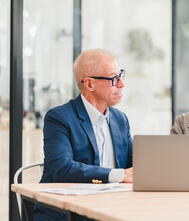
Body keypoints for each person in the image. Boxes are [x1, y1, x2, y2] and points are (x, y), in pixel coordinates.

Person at [34, 49, 133, 220]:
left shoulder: (120, 120)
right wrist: (120, 175)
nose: (121, 84)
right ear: (89, 84)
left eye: (120, 75)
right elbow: (63, 168)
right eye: (113, 78)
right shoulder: (59, 118)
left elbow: (134, 165)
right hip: (67, 212)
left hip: (113, 207)